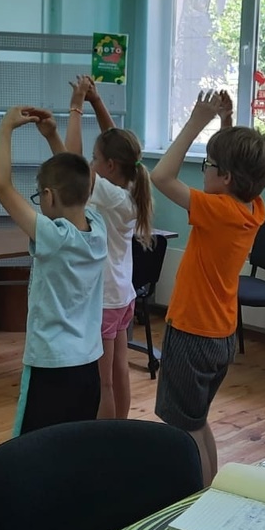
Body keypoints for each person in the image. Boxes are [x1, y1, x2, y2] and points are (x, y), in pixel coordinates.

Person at [151, 91, 265, 485]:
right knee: (197, 420)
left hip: (192, 332)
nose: (203, 171)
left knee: (182, 427)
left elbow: (160, 177)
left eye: (208, 165)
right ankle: (208, 488)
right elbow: (234, 174)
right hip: (220, 334)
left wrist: (195, 120)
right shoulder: (252, 208)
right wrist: (225, 124)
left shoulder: (217, 210)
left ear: (224, 177)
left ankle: (195, 496)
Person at [0, 105, 107, 435]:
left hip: (51, 366)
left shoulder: (54, 237)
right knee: (71, 446)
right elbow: (76, 178)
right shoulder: (98, 229)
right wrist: (52, 135)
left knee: (31, 449)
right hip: (87, 366)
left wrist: (6, 128)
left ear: (48, 195)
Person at [60, 76, 154, 419]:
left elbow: (70, 161)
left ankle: (104, 441)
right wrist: (97, 103)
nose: (91, 161)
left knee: (104, 384)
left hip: (105, 301)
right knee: (118, 374)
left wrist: (75, 106)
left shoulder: (110, 194)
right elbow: (116, 144)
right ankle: (121, 431)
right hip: (122, 297)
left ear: (108, 166)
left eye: (95, 157)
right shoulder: (129, 185)